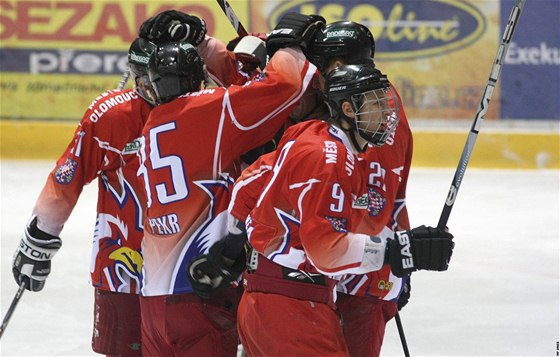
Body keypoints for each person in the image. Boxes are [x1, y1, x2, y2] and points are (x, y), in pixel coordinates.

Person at [232, 64, 454, 356]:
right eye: (375, 102)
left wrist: (235, 239)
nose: (387, 111)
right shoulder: (329, 159)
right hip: (293, 309)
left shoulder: (309, 135)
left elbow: (248, 185)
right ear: (349, 109)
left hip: (269, 300)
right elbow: (325, 250)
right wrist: (393, 251)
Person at [136, 13, 324, 356]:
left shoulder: (151, 125)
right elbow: (283, 85)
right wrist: (287, 45)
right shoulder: (209, 109)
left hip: (152, 297)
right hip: (199, 289)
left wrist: (209, 45)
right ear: (199, 79)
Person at [11, 37, 158, 356]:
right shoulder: (113, 116)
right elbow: (68, 177)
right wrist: (39, 239)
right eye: (149, 77)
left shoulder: (209, 107)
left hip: (192, 272)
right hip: (125, 270)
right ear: (136, 74)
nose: (160, 85)